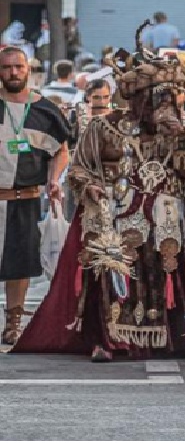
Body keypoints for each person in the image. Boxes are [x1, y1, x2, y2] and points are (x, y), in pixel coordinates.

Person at [20, 44, 185, 361]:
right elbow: (79, 168)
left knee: (166, 271)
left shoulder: (182, 129)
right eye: (156, 98)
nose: (163, 105)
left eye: (168, 97)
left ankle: (169, 336)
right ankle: (107, 338)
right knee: (109, 271)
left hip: (164, 218)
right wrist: (91, 186)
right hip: (115, 214)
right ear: (137, 99)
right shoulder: (103, 127)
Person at [0, 48, 71, 345]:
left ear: (28, 69)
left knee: (19, 264)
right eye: (6, 68)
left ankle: (13, 322)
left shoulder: (45, 110)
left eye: (18, 67)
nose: (13, 73)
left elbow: (61, 151)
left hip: (25, 198)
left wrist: (53, 179)